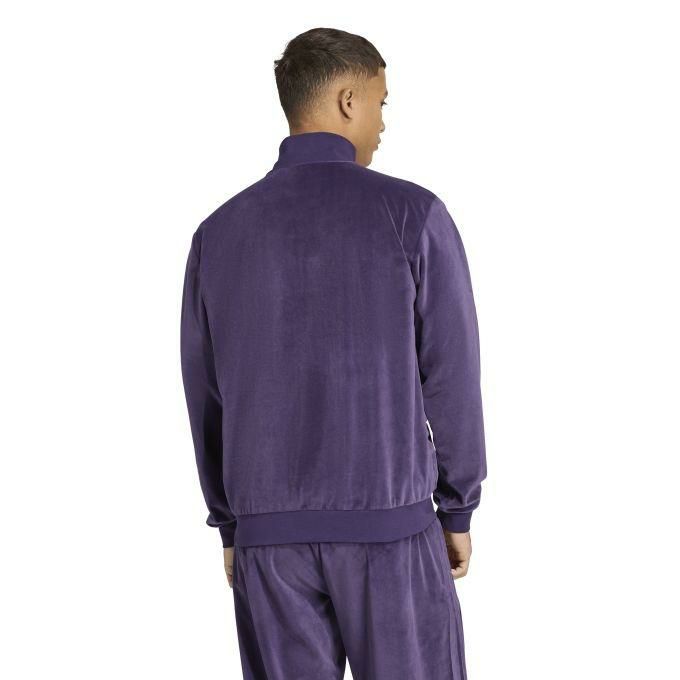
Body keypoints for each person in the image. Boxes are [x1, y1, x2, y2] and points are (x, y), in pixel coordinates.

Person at [180, 26, 487, 680]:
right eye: (381, 101)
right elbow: (452, 376)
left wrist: (232, 526)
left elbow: (205, 392)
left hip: (269, 543)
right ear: (349, 99)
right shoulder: (413, 215)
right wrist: (457, 506)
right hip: (390, 531)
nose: (383, 122)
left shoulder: (218, 233)